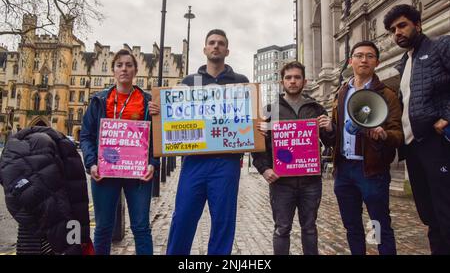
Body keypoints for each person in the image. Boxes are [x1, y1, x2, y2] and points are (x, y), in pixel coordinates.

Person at [150, 29, 249, 255]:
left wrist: (259, 125)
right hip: (193, 162)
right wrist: (158, 111)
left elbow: (249, 120)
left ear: (227, 50)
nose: (216, 46)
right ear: (205, 49)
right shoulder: (188, 82)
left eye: (221, 43)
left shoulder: (240, 83)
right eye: (212, 43)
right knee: (182, 217)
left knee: (223, 223)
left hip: (227, 163)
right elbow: (172, 116)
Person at [317, 41, 403, 255]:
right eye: (359, 55)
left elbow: (399, 135)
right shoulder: (341, 93)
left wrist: (383, 134)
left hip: (372, 170)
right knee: (352, 226)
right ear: (351, 61)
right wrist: (329, 128)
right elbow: (336, 135)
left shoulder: (387, 95)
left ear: (377, 62)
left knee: (378, 225)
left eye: (370, 56)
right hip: (344, 170)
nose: (364, 60)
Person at [383, 4, 450, 254]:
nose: (397, 32)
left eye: (402, 25)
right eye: (393, 29)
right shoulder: (404, 63)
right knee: (429, 215)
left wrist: (446, 118)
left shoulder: (440, 47)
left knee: (446, 211)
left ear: (418, 25)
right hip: (413, 148)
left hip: (436, 143)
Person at [80, 49, 159, 255]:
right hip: (105, 171)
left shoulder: (148, 102)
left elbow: (158, 138)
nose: (124, 69)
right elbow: (86, 136)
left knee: (141, 228)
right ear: (113, 70)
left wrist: (152, 162)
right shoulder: (99, 100)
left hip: (138, 173)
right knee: (103, 228)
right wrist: (91, 163)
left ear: (135, 70)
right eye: (119, 65)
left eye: (129, 65)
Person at [252, 61, 334, 255]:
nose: (293, 81)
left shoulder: (316, 108)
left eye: (297, 77)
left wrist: (330, 128)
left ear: (304, 81)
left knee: (310, 228)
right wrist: (264, 169)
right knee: (282, 229)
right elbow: (258, 146)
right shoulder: (269, 111)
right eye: (288, 78)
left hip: (310, 181)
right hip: (281, 182)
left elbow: (330, 142)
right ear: (282, 82)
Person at [0, 126, 93, 255]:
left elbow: (73, 199)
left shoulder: (53, 146)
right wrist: (76, 244)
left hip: (37, 228)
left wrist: (80, 238)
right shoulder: (55, 146)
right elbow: (53, 210)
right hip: (38, 230)